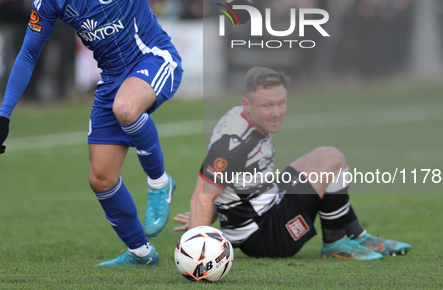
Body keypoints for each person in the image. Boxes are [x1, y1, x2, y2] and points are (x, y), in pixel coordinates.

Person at [0, 0, 251, 267]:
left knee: (125, 108)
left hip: (155, 58)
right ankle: (141, 254)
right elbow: (28, 55)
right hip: (112, 79)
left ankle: (160, 183)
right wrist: (4, 115)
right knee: (101, 178)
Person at [173, 67, 411, 260]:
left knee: (318, 157)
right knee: (331, 158)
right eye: (268, 105)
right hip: (268, 235)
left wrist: (207, 217)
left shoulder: (247, 119)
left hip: (266, 210)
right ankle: (335, 243)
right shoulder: (233, 144)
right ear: (247, 104)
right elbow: (202, 196)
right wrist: (196, 245)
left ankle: (357, 235)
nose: (277, 112)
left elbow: (227, 189)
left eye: (281, 103)